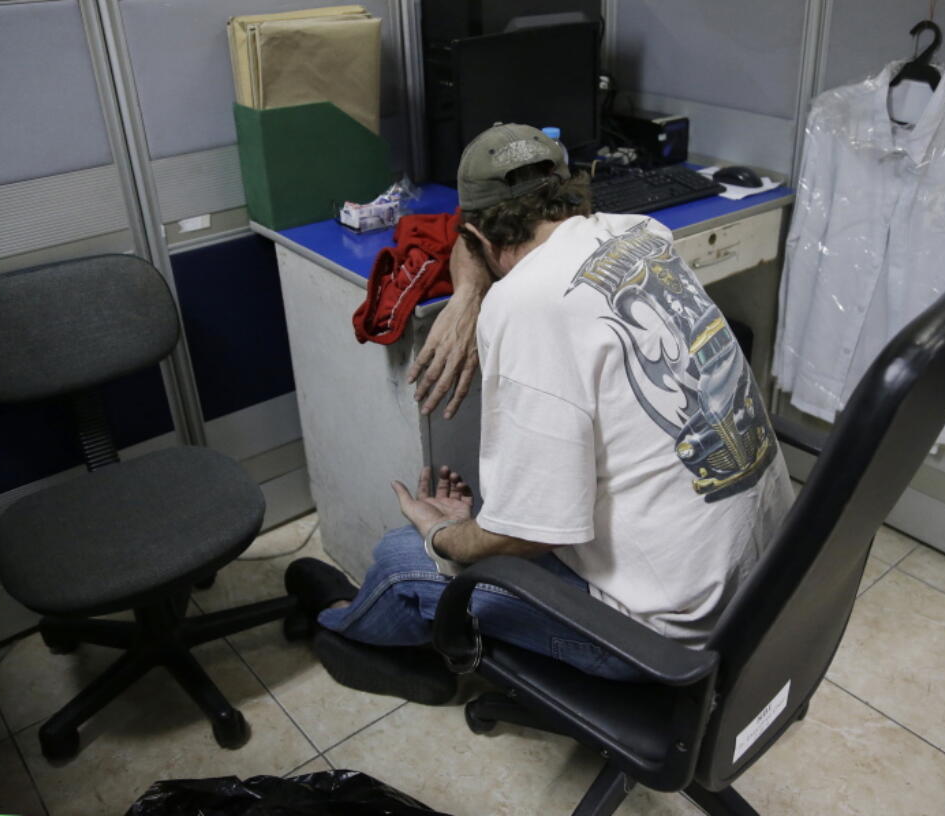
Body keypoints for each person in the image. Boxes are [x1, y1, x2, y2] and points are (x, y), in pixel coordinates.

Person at [285, 123, 793, 699]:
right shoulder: (640, 232)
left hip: (667, 639)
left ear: (475, 231)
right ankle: (410, 635)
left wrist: (447, 534)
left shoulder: (528, 304)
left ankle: (340, 627)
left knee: (404, 557)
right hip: (762, 587)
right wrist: (473, 289)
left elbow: (531, 537)